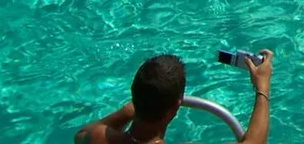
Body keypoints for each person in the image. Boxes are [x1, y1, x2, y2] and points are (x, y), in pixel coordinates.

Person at [75, 51, 274, 144]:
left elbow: (81, 135)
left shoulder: (97, 138)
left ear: (134, 95)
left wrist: (127, 112)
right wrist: (262, 86)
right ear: (175, 108)